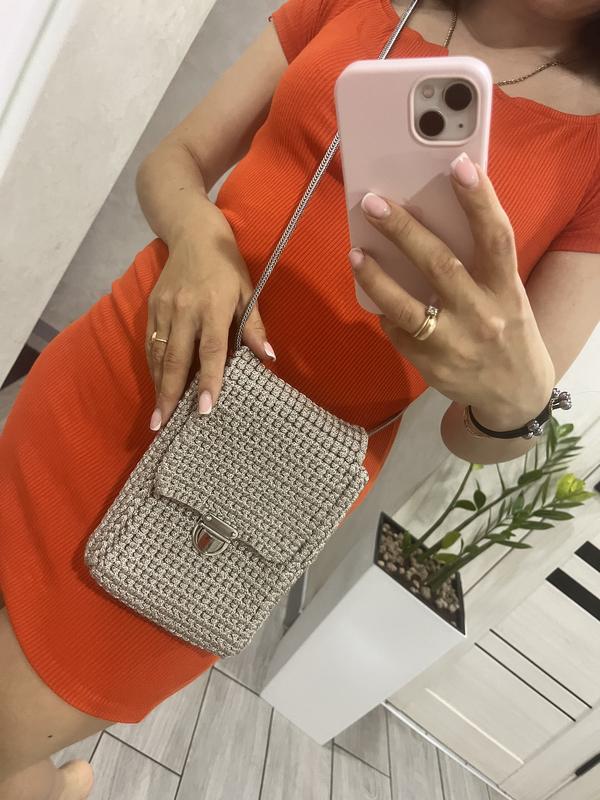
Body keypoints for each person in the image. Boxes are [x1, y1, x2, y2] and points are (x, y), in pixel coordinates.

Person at [1, 0, 599, 796]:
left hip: (250, 496)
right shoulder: (361, 4)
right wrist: (201, 239)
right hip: (118, 372)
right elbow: (173, 161)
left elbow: (477, 433)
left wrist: (519, 403)